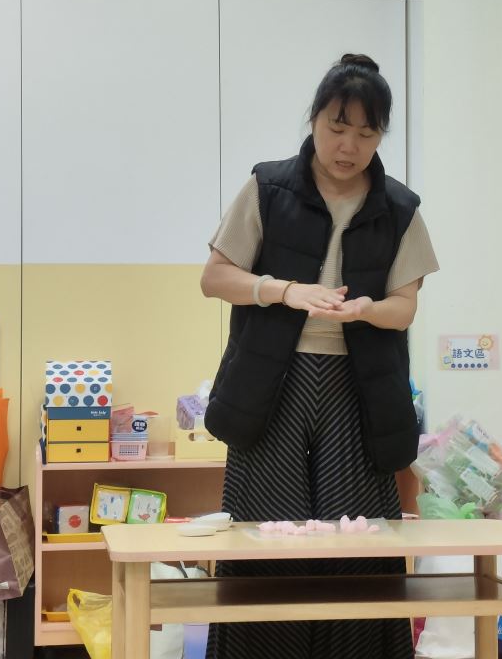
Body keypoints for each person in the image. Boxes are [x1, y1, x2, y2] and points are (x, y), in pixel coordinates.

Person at [200, 53, 438, 659]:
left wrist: (365, 309)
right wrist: (284, 291)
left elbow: (404, 308)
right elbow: (215, 277)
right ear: (314, 120)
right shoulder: (268, 187)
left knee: (356, 538)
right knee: (266, 533)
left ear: (380, 136)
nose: (348, 145)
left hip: (360, 386)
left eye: (366, 132)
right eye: (337, 127)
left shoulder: (400, 208)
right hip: (270, 384)